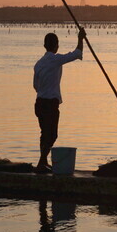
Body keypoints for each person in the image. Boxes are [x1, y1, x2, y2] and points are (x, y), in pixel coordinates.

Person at [33, 28, 86, 173]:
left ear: (45, 46)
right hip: (49, 103)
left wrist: (45, 90)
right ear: (56, 45)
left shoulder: (38, 64)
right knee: (52, 134)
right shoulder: (55, 60)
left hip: (39, 103)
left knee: (45, 133)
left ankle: (42, 162)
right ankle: (41, 162)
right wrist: (80, 38)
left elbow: (35, 86)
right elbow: (77, 53)